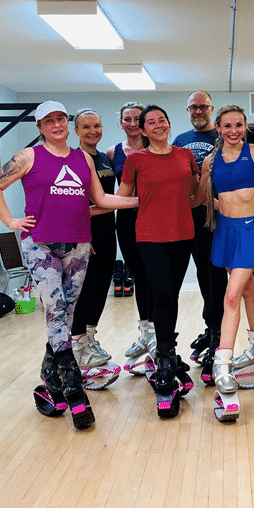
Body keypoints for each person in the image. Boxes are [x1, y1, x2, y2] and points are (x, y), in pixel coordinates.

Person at [0, 101, 138, 430]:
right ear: (40, 127)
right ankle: (73, 384)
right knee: (55, 307)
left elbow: (101, 201)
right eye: (47, 121)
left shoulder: (82, 158)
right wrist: (10, 220)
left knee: (67, 315)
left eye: (59, 119)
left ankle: (49, 376)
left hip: (79, 244)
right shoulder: (29, 157)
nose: (55, 125)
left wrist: (143, 199)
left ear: (66, 124)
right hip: (40, 244)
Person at [116, 105, 199, 418]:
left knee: (170, 294)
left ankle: (167, 350)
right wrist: (88, 209)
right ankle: (164, 358)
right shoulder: (136, 160)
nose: (157, 125)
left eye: (161, 119)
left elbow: (194, 193)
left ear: (168, 123)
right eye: (150, 122)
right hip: (149, 235)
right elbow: (123, 197)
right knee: (161, 291)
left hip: (183, 234)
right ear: (143, 129)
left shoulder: (184, 155)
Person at [197, 104, 254, 422]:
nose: (233, 130)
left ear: (245, 126)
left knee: (231, 296)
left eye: (239, 125)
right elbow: (203, 196)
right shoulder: (210, 160)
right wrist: (222, 207)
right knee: (247, 289)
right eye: (227, 125)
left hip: (247, 231)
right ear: (218, 128)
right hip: (225, 232)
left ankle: (223, 364)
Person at [172, 91, 228, 370]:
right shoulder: (180, 142)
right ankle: (212, 327)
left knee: (216, 277)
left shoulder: (224, 138)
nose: (198, 110)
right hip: (190, 218)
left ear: (211, 109)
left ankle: (219, 336)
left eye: (203, 106)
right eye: (193, 106)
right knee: (203, 276)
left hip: (218, 218)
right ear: (188, 110)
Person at [69, 109, 122, 390]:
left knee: (101, 287)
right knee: (84, 291)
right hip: (86, 235)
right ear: (76, 130)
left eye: (97, 125)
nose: (92, 131)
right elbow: (77, 203)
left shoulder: (103, 158)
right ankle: (77, 348)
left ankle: (89, 339)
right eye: (86, 126)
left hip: (106, 233)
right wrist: (83, 236)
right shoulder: (76, 159)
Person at [105, 103, 154, 372]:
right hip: (126, 221)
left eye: (138, 119)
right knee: (138, 276)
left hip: (154, 219)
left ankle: (158, 337)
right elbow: (108, 192)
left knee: (155, 276)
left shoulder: (155, 149)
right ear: (121, 123)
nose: (133, 123)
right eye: (128, 119)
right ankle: (145, 334)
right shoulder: (113, 153)